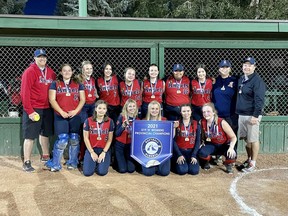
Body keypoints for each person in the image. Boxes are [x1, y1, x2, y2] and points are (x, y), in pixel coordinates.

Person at [20, 49, 56, 172]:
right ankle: (27, 161)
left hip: (47, 108)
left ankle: (46, 157)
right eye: (39, 57)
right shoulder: (29, 72)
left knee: (45, 134)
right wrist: (29, 111)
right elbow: (24, 93)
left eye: (44, 57)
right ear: (34, 58)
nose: (42, 59)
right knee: (30, 136)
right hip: (34, 108)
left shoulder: (51, 72)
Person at [45, 64, 85, 172]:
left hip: (75, 115)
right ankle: (55, 163)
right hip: (60, 115)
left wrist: (76, 111)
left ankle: (73, 162)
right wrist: (61, 111)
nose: (67, 72)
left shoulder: (78, 84)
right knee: (62, 139)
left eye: (69, 70)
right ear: (61, 72)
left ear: (72, 72)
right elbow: (52, 100)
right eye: (64, 71)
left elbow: (82, 99)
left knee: (74, 139)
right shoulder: (55, 84)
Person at [236, 57, 266, 172]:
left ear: (254, 67)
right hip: (242, 114)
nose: (246, 67)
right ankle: (249, 159)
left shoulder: (257, 81)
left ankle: (253, 163)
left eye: (249, 65)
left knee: (253, 139)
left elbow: (260, 100)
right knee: (247, 139)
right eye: (245, 65)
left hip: (252, 115)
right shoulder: (242, 78)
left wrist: (255, 115)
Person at [198, 103, 237, 174]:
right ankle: (206, 162)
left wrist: (231, 148)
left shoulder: (221, 122)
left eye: (208, 111)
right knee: (201, 153)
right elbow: (202, 136)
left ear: (213, 112)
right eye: (204, 112)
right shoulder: (202, 122)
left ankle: (228, 164)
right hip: (212, 144)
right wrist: (201, 143)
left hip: (224, 144)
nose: (206, 114)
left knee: (232, 155)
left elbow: (234, 137)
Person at [212, 60, 238, 156]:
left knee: (232, 136)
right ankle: (218, 156)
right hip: (217, 115)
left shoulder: (235, 81)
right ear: (219, 69)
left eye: (227, 67)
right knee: (218, 137)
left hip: (231, 115)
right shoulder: (215, 81)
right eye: (222, 67)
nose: (224, 69)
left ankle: (231, 159)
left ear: (230, 69)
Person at [82, 100, 115, 176]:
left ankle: (98, 163)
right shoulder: (88, 121)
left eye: (104, 108)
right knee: (87, 173)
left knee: (102, 172)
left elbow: (110, 140)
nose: (101, 110)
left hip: (103, 149)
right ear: (96, 109)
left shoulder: (110, 121)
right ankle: (90, 162)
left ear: (106, 110)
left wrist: (104, 152)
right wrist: (92, 152)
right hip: (92, 149)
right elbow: (86, 138)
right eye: (99, 108)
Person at [141, 100, 170, 176]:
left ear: (159, 110)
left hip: (162, 151)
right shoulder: (143, 121)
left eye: (157, 109)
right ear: (149, 110)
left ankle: (158, 166)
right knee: (148, 173)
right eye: (152, 108)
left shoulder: (165, 121)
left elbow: (170, 138)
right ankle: (154, 167)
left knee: (164, 172)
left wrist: (173, 128)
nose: (154, 111)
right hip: (147, 152)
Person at [77, 61, 98, 162]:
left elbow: (93, 91)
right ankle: (81, 155)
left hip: (92, 105)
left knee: (93, 129)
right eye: (87, 69)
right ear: (82, 70)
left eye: (90, 68)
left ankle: (90, 152)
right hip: (83, 106)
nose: (89, 71)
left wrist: (95, 95)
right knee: (84, 129)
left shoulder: (93, 80)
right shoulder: (78, 79)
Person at [172, 104, 200, 175]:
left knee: (194, 171)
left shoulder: (196, 123)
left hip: (191, 151)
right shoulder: (176, 123)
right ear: (181, 112)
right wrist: (179, 155)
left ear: (191, 112)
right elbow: (173, 140)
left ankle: (188, 163)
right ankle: (175, 163)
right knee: (182, 171)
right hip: (180, 151)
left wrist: (194, 155)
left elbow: (198, 141)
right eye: (184, 111)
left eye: (188, 111)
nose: (186, 113)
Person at [114, 99, 139, 173]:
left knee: (131, 170)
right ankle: (116, 162)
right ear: (126, 108)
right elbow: (116, 134)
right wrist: (122, 126)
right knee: (122, 170)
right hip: (120, 145)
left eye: (134, 106)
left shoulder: (137, 119)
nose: (132, 108)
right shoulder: (121, 117)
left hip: (130, 146)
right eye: (130, 106)